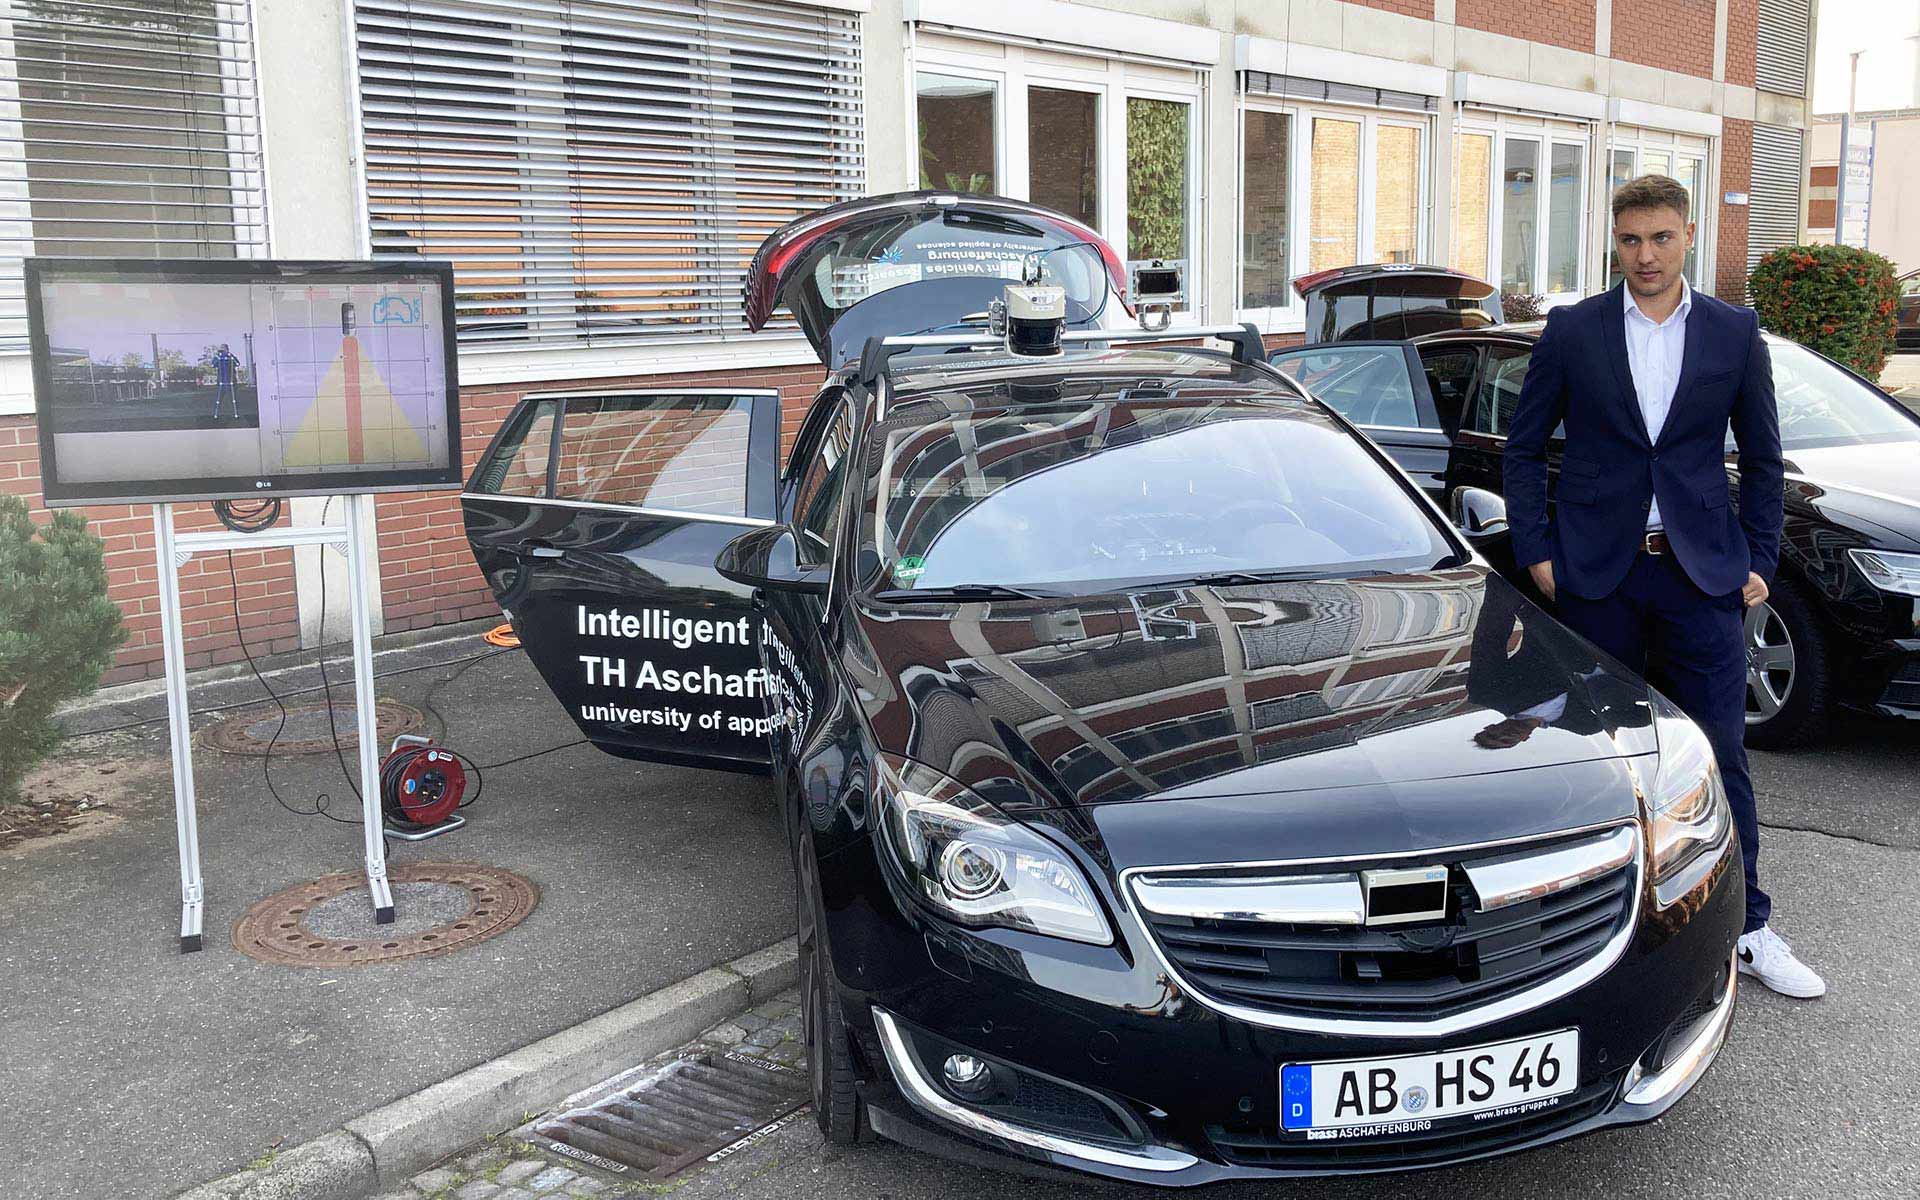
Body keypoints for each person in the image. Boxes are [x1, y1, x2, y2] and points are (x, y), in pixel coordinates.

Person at [1503, 174, 1825, 999]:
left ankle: (1749, 926)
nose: (1645, 255)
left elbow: (1763, 458)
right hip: (1595, 577)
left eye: (1660, 238)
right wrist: (1539, 555)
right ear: (1615, 244)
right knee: (1595, 761)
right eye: (1630, 240)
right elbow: (1524, 447)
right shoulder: (1574, 331)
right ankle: (1584, 941)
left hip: (1699, 577)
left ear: (1688, 236)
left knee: (1718, 754)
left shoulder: (1733, 332)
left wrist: (1758, 559)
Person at [211, 343, 239, 420]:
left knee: (233, 399)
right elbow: (213, 365)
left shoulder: (231, 357)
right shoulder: (218, 358)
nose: (223, 352)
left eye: (224, 350)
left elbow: (237, 363)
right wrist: (217, 356)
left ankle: (235, 414)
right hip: (221, 382)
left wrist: (231, 355)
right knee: (218, 399)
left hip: (231, 382)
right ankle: (216, 414)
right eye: (222, 350)